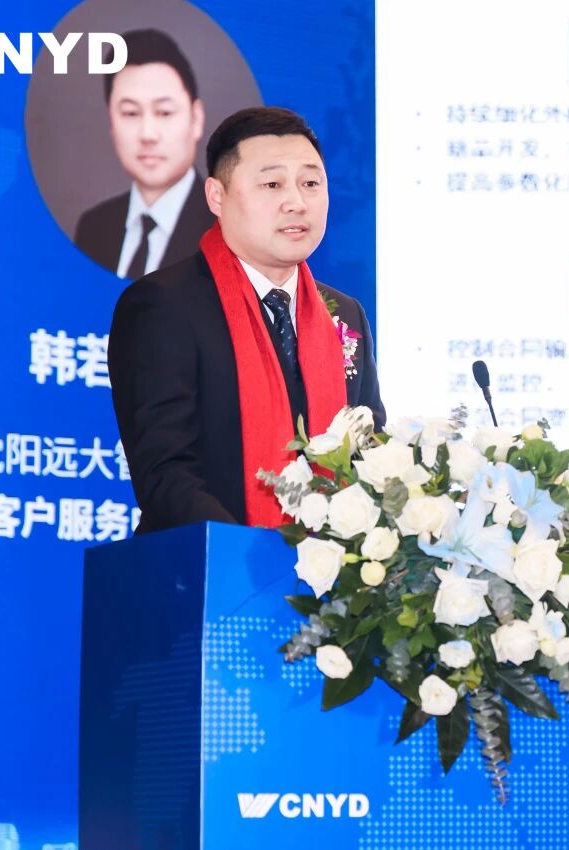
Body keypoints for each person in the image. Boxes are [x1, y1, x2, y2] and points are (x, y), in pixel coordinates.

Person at [108, 106, 385, 533]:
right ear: (216, 196)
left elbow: (371, 451)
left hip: (330, 570)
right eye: (272, 184)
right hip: (212, 567)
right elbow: (165, 474)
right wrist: (258, 557)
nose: (296, 202)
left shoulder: (346, 314)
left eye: (311, 183)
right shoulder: (164, 305)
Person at [73, 29, 213, 279]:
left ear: (196, 118)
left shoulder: (228, 230)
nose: (148, 134)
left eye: (164, 112)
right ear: (111, 122)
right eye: (131, 113)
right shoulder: (93, 228)